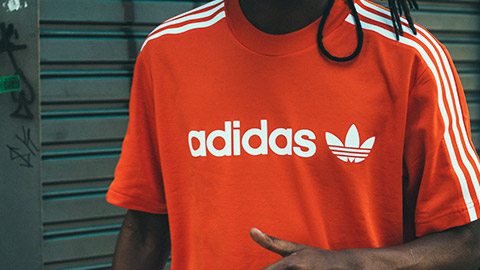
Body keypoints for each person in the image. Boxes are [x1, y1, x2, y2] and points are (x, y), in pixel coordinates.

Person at [106, 0, 480, 268]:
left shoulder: (410, 57)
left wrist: (350, 265)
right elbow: (144, 231)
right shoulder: (166, 51)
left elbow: (469, 242)